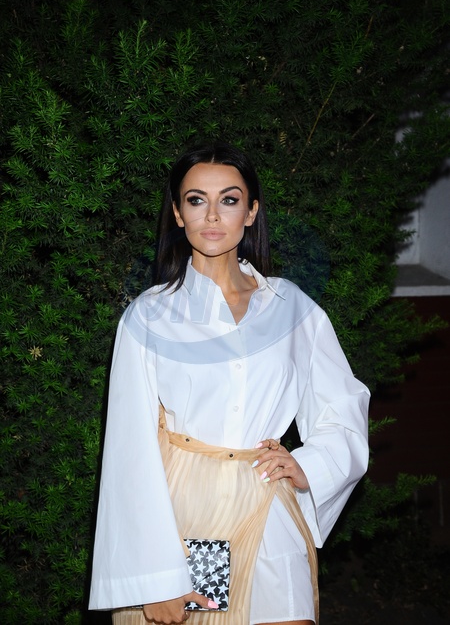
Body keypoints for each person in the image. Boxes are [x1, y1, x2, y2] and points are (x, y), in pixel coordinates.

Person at [89, 142, 370, 625]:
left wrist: (312, 464)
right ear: (179, 214)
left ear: (251, 212)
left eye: (230, 199)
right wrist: (154, 579)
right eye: (197, 200)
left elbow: (342, 405)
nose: (213, 215)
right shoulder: (149, 316)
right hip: (181, 514)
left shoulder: (292, 308)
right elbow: (128, 451)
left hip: (268, 504)